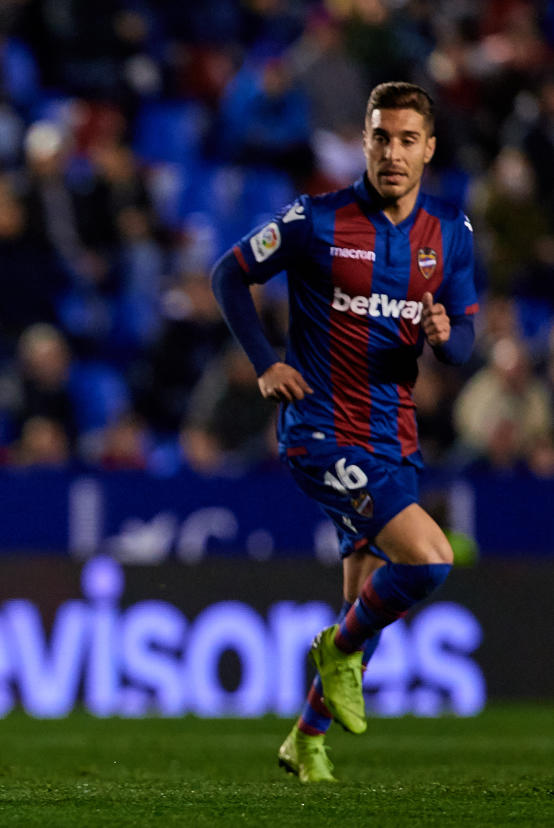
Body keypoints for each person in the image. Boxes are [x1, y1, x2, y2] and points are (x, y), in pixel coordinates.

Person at [209, 82, 478, 783]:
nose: (393, 152)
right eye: (381, 137)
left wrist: (447, 336)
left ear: (429, 149)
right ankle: (336, 648)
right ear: (364, 140)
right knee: (428, 561)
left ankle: (306, 739)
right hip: (318, 430)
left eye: (407, 139)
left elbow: (465, 339)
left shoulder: (450, 234)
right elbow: (228, 276)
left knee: (367, 606)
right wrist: (266, 364)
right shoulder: (314, 221)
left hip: (394, 438)